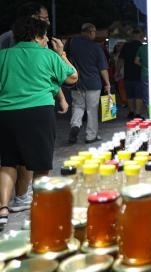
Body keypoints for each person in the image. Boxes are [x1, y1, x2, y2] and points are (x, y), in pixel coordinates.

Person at [0, 17, 78, 228]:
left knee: (8, 163)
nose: (46, 40)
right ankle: (40, 209)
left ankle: (2, 210)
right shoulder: (48, 55)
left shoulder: (3, 55)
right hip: (38, 113)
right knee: (42, 165)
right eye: (44, 36)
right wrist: (61, 53)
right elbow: (72, 77)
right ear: (37, 36)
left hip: (6, 114)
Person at [66, 23, 111, 144]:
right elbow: (103, 68)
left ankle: (75, 125)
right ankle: (91, 135)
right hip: (93, 83)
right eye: (95, 32)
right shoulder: (96, 47)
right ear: (90, 32)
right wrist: (107, 83)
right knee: (92, 110)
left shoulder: (71, 44)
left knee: (77, 106)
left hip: (76, 82)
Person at [118, 28, 145, 119]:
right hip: (139, 74)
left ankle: (131, 112)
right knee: (139, 95)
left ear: (132, 36)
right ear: (140, 36)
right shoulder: (142, 47)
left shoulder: (126, 46)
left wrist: (117, 71)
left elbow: (120, 60)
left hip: (128, 74)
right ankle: (137, 114)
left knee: (130, 95)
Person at [134, 42, 149, 111]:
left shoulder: (142, 47)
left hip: (145, 73)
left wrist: (143, 66)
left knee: (147, 95)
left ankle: (150, 113)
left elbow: (136, 61)